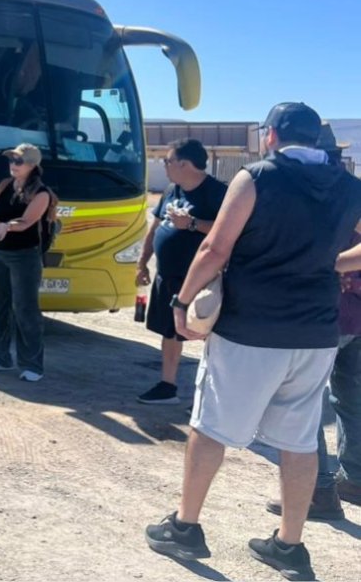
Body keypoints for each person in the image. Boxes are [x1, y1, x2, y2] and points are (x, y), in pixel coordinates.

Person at [145, 102, 361, 581]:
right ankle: (289, 545)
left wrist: (182, 301)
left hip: (251, 328)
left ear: (272, 135)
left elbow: (215, 247)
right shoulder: (350, 186)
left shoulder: (258, 177)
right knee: (301, 440)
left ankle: (185, 526)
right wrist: (333, 263)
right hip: (316, 332)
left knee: (211, 426)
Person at [265, 130, 361, 521]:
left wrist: (328, 265)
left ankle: (319, 492)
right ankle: (354, 478)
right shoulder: (350, 190)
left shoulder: (311, 192)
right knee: (350, 399)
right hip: (353, 314)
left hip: (323, 313)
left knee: (303, 402)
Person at [135, 139, 227, 404]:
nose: (164, 166)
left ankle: (211, 398)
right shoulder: (171, 191)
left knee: (208, 335)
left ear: (185, 164)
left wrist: (192, 224)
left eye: (167, 161)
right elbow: (154, 229)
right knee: (170, 331)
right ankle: (167, 385)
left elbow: (230, 230)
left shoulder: (218, 193)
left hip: (202, 281)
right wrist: (142, 263)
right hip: (168, 277)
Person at [0, 143, 50, 382]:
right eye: (11, 160)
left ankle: (32, 366)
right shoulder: (2, 185)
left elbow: (27, 222)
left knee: (25, 309)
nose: (13, 165)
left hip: (24, 256)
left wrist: (6, 226)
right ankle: (0, 358)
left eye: (19, 161)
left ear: (32, 165)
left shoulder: (41, 193)